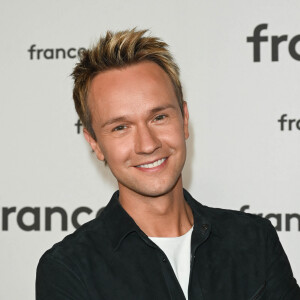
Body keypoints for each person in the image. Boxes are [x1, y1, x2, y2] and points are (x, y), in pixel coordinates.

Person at [36, 29, 300, 300]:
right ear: (94, 143)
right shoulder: (68, 268)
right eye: (121, 127)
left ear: (184, 119)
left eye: (159, 117)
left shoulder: (254, 241)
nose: (148, 144)